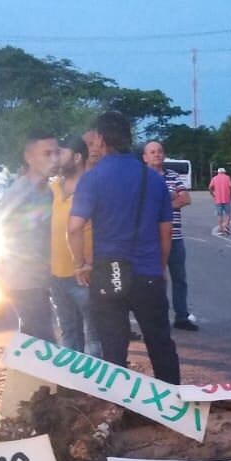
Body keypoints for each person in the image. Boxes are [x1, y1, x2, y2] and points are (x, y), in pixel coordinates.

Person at [68, 111, 181, 384]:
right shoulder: (153, 179)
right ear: (130, 138)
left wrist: (80, 264)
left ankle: (115, 411)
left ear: (102, 139)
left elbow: (74, 227)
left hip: (108, 274)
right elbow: (165, 230)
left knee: (113, 351)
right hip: (148, 274)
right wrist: (160, 266)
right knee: (160, 344)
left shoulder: (92, 178)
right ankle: (174, 408)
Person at [0, 130, 59, 341]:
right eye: (47, 153)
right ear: (29, 157)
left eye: (56, 153)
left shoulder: (51, 191)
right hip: (24, 279)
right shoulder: (19, 194)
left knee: (33, 342)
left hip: (45, 277)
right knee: (44, 342)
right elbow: (3, 236)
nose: (54, 159)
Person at [50, 136, 100, 356]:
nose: (56, 157)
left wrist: (87, 263)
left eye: (61, 152)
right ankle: (73, 385)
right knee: (68, 332)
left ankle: (98, 387)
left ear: (78, 157)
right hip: (56, 275)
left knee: (94, 336)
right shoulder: (52, 188)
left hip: (85, 276)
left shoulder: (93, 187)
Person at [144, 141, 197, 331]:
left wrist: (162, 204)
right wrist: (171, 198)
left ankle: (181, 316)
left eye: (159, 151)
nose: (156, 155)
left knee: (179, 278)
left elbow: (186, 199)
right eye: (152, 152)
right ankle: (155, 317)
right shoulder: (142, 178)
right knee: (154, 280)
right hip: (151, 239)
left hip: (175, 237)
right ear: (145, 157)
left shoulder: (173, 175)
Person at [209, 167, 231, 236]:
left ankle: (220, 230)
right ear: (224, 172)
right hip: (226, 199)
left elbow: (210, 187)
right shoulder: (227, 178)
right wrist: (230, 195)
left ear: (218, 172)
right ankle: (227, 227)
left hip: (218, 199)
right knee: (228, 214)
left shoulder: (214, 178)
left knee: (220, 215)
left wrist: (213, 194)